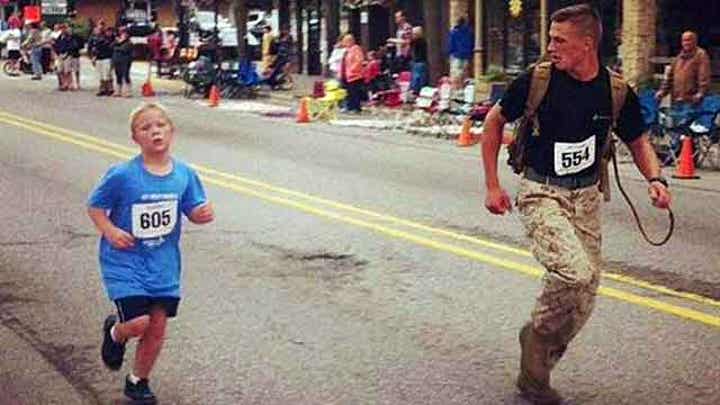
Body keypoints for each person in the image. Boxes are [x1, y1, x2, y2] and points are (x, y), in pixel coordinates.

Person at [480, 5, 671, 404]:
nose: (550, 46)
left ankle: (536, 368)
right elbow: (493, 122)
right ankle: (537, 334)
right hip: (540, 191)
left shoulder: (615, 91)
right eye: (550, 38)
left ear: (588, 44)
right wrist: (493, 185)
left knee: (585, 297)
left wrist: (655, 179)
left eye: (559, 40)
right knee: (574, 273)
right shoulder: (538, 80)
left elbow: (637, 140)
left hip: (585, 197)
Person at [87, 103, 214, 404]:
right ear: (135, 138)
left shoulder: (184, 174)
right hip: (125, 261)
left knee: (156, 328)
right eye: (146, 128)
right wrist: (111, 231)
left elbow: (192, 209)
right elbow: (95, 207)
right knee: (137, 323)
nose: (154, 131)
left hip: (164, 265)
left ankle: (137, 380)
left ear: (172, 131)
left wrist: (201, 214)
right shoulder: (122, 175)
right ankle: (116, 333)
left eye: (160, 125)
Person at [655, 31, 711, 105]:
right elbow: (669, 78)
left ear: (695, 41)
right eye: (684, 40)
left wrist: (701, 92)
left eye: (689, 40)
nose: (686, 43)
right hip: (677, 100)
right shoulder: (678, 58)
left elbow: (704, 76)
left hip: (693, 100)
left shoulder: (701, 56)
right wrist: (662, 91)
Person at [88, 23, 115, 96]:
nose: (98, 30)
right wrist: (92, 57)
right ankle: (102, 89)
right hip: (98, 58)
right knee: (100, 75)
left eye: (100, 29)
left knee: (107, 74)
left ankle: (109, 88)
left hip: (106, 57)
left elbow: (110, 48)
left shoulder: (108, 38)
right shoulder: (94, 39)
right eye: (97, 29)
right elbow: (92, 49)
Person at [340, 33, 364, 113]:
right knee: (348, 92)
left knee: (354, 92)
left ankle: (356, 108)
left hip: (354, 75)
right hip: (346, 74)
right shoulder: (347, 50)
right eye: (344, 41)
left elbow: (359, 60)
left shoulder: (356, 49)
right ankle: (349, 106)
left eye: (347, 41)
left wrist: (352, 70)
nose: (345, 42)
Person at [448, 16, 474, 89]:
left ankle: (456, 87)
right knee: (464, 72)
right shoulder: (469, 31)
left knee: (456, 73)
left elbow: (451, 43)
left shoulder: (454, 32)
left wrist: (450, 52)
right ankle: (463, 87)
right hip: (466, 54)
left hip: (456, 55)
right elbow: (471, 42)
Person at [112, 27, 134, 97]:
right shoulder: (117, 41)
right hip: (116, 60)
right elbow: (111, 46)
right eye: (121, 32)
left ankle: (128, 92)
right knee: (118, 75)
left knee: (126, 75)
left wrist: (118, 45)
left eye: (124, 32)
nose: (122, 34)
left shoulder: (129, 42)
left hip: (125, 61)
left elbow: (124, 49)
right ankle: (118, 91)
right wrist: (117, 42)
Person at [409, 26, 428, 94]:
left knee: (418, 79)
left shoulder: (420, 41)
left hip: (420, 62)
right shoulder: (414, 41)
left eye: (414, 34)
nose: (412, 35)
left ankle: (418, 92)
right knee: (415, 78)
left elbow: (407, 42)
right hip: (416, 62)